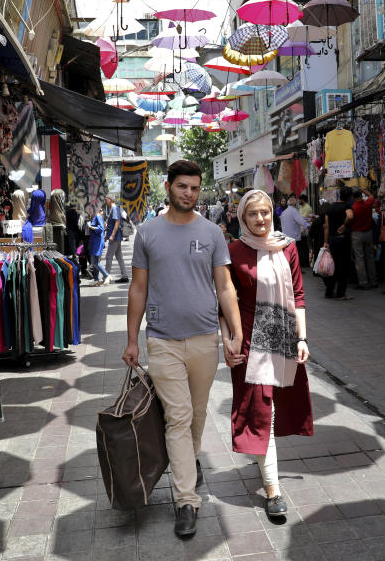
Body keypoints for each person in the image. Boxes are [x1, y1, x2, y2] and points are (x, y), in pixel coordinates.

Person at [122, 160, 243, 538]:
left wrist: (234, 333)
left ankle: (188, 460)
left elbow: (224, 287)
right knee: (178, 417)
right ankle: (186, 500)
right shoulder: (148, 233)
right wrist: (131, 339)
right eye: (182, 187)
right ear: (168, 187)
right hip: (162, 340)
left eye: (194, 187)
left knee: (197, 414)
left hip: (205, 338)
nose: (188, 193)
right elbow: (138, 288)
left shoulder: (212, 233)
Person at [221, 189, 312, 520]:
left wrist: (302, 338)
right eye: (252, 214)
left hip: (283, 339)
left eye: (264, 212)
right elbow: (224, 301)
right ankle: (273, 489)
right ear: (242, 218)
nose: (260, 219)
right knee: (262, 414)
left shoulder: (287, 246)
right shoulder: (232, 251)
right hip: (248, 344)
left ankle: (263, 462)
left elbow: (298, 294)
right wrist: (226, 340)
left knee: (271, 410)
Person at [322, 187, 353, 300]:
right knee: (344, 267)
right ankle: (341, 293)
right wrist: (345, 225)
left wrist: (326, 242)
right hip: (343, 240)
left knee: (333, 266)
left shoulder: (331, 208)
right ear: (349, 197)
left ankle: (329, 292)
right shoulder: (347, 206)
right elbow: (350, 216)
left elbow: (326, 227)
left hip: (333, 240)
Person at [346, 187, 378, 289]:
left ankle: (363, 282)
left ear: (353, 197)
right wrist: (364, 190)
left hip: (357, 234)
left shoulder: (354, 207)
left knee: (359, 259)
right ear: (361, 195)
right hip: (368, 233)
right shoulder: (368, 203)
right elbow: (372, 196)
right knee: (370, 257)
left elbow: (350, 220)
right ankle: (373, 280)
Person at [103, 196, 129, 283]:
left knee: (108, 257)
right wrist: (108, 235)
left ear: (110, 200)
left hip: (115, 237)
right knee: (119, 257)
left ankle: (106, 277)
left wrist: (112, 235)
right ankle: (124, 275)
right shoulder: (114, 208)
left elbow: (117, 222)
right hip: (117, 237)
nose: (105, 201)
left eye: (106, 199)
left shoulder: (114, 208)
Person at [87, 207, 110, 285]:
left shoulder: (97, 216)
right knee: (94, 260)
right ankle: (96, 279)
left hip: (97, 241)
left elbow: (101, 228)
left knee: (94, 261)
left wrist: (91, 227)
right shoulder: (95, 216)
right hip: (95, 241)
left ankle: (106, 275)